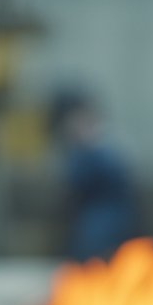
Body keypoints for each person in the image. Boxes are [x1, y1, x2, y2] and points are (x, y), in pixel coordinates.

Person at [51, 89, 136, 262]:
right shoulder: (100, 150)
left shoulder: (97, 152)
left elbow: (76, 181)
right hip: (98, 220)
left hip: (100, 223)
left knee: (95, 261)